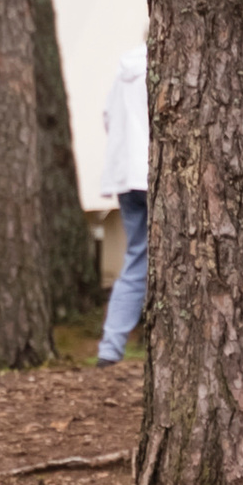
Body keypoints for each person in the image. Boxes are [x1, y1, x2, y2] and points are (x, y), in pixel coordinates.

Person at [96, 41, 148, 365]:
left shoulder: (125, 68)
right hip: (156, 173)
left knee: (137, 258)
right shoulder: (175, 59)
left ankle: (110, 348)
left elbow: (107, 117)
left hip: (125, 175)